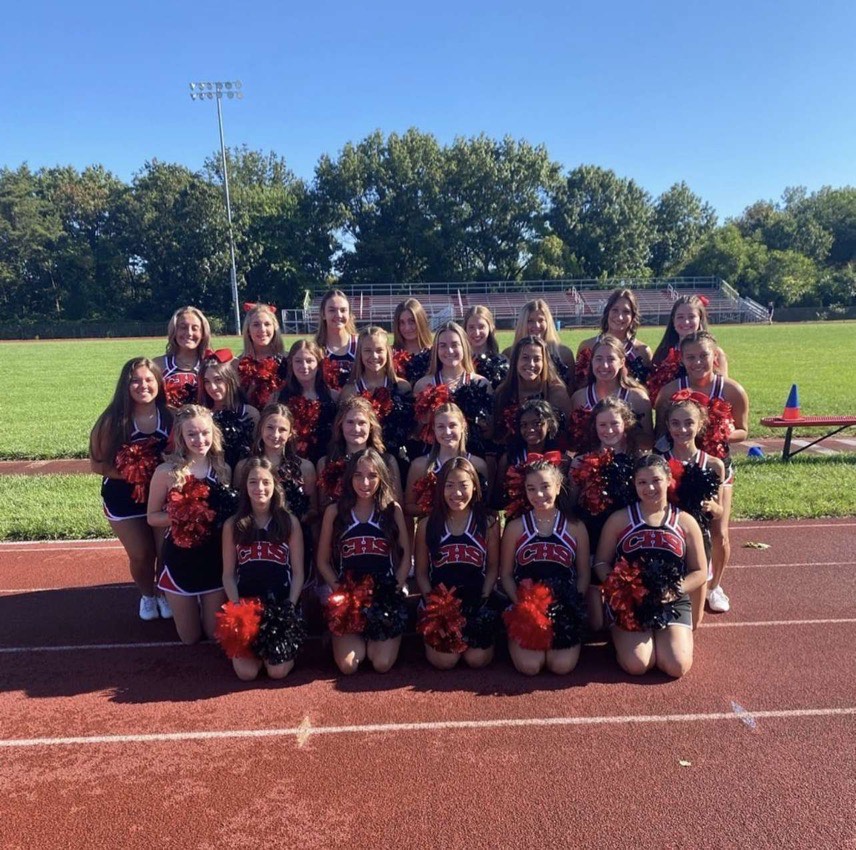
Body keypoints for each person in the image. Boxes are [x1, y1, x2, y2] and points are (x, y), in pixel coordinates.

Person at [655, 331, 748, 614]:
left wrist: (719, 434)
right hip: (678, 466)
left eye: (703, 355)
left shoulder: (731, 389)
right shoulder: (671, 390)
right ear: (681, 359)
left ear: (715, 356)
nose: (697, 362)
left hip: (715, 466)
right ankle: (681, 579)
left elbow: (744, 431)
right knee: (676, 526)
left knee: (718, 530)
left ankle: (714, 585)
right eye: (690, 357)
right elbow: (661, 431)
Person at [593, 454, 707, 678]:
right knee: (638, 664)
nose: (650, 488)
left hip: (672, 599)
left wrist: (673, 590)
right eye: (642, 482)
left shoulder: (685, 521)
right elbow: (600, 562)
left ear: (668, 480)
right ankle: (618, 635)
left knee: (676, 666)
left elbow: (700, 571)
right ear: (634, 484)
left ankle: (661, 638)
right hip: (630, 602)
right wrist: (624, 588)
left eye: (656, 480)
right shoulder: (619, 519)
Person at [90, 357, 173, 621]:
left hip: (162, 497)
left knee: (165, 552)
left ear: (159, 383)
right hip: (123, 496)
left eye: (149, 380)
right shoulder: (112, 421)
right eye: (135, 381)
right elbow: (96, 464)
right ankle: (147, 595)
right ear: (125, 386)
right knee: (142, 554)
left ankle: (163, 592)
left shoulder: (171, 415)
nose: (142, 386)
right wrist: (134, 472)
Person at [317, 449, 411, 674]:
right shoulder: (335, 511)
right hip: (350, 597)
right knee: (349, 666)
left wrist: (394, 590)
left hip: (383, 596)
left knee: (381, 663)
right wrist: (341, 592)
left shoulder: (391, 509)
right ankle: (338, 637)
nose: (365, 482)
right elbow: (322, 561)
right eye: (358, 475)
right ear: (349, 478)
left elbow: (406, 556)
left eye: (372, 476)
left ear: (381, 478)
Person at [147, 405, 232, 644]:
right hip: (180, 560)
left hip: (214, 559)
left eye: (205, 433)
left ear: (213, 433)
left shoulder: (223, 469)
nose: (199, 439)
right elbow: (152, 517)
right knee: (190, 639)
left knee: (214, 637)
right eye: (192, 434)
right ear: (181, 437)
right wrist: (184, 516)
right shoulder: (166, 472)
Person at [500, 460, 590, 675]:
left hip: (563, 609)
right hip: (525, 609)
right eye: (531, 489)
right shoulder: (515, 527)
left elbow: (584, 574)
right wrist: (521, 606)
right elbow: (505, 574)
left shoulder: (576, 527)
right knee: (530, 667)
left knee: (561, 666)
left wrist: (570, 606)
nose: (538, 495)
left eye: (545, 487)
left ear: (558, 487)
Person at [220, 457, 305, 680]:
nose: (260, 488)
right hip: (247, 607)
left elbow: (298, 573)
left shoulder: (289, 522)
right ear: (245, 487)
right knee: (246, 674)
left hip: (280, 606)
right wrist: (236, 606)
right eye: (253, 482)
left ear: (275, 486)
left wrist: (291, 606)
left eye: (266, 482)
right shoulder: (233, 525)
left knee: (277, 672)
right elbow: (228, 574)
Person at [415, 457, 500, 669]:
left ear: (475, 486)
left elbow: (492, 568)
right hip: (440, 602)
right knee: (446, 661)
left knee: (476, 660)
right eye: (449, 486)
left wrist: (483, 599)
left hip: (475, 599)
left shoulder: (488, 523)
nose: (457, 493)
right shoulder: (428, 524)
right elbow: (422, 573)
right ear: (440, 488)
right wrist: (433, 604)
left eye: (463, 485)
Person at [656, 395, 725, 627]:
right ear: (667, 425)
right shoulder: (658, 462)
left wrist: (712, 507)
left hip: (698, 542)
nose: (682, 429)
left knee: (694, 623)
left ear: (700, 425)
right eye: (675, 423)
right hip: (666, 541)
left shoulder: (714, 464)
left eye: (689, 423)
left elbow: (719, 510)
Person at [339, 326, 413, 471]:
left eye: (379, 350)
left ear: (388, 352)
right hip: (360, 463)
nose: (374, 356)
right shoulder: (350, 390)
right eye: (367, 350)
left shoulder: (403, 387)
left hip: (395, 460)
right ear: (359, 353)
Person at [413, 322, 492, 457]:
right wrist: (424, 420)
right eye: (443, 346)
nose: (449, 351)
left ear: (464, 347)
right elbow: (414, 433)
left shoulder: (481, 383)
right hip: (434, 458)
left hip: (471, 456)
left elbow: (490, 432)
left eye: (455, 345)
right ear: (436, 350)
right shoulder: (423, 385)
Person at [569, 335, 653, 452]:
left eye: (611, 359)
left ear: (622, 362)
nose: (605, 365)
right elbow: (573, 444)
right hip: (589, 465)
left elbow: (648, 443)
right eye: (599, 359)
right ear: (591, 361)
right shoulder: (579, 398)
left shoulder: (638, 397)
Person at [404, 403, 488, 519]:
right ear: (433, 428)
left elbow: (485, 506)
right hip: (433, 532)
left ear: (463, 426)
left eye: (452, 425)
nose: (447, 432)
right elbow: (408, 506)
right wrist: (436, 507)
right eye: (441, 426)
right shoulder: (420, 465)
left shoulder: (477, 465)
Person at [317, 396, 404, 509]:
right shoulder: (325, 463)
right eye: (350, 422)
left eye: (362, 423)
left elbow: (397, 505)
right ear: (340, 425)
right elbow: (322, 507)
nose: (356, 429)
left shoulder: (387, 461)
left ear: (371, 427)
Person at [492, 336, 571, 449]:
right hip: (511, 458)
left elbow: (567, 435)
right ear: (516, 361)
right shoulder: (503, 393)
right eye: (525, 358)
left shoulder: (556, 392)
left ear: (544, 362)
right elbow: (497, 436)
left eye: (537, 359)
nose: (531, 364)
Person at [648, 295, 728, 403]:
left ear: (700, 319)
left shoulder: (716, 353)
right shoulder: (663, 353)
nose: (686, 322)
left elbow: (723, 390)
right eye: (680, 317)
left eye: (691, 317)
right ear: (673, 320)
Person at [495, 399, 564, 517]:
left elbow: (565, 500)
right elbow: (497, 499)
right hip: (518, 520)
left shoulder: (561, 459)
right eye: (524, 425)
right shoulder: (509, 459)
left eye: (537, 423)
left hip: (553, 520)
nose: (530, 429)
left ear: (549, 424)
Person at [277, 338, 339, 465]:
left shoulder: (334, 396)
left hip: (326, 460)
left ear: (319, 363)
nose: (304, 366)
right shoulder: (278, 397)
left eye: (309, 361)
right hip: (293, 461)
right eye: (298, 361)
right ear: (291, 363)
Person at [575, 288, 652, 386]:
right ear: (607, 312)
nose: (620, 317)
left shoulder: (642, 351)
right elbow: (577, 385)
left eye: (626, 312)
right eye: (615, 310)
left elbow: (648, 390)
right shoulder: (587, 346)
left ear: (633, 316)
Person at [197, 350, 258, 471]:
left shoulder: (250, 413)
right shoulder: (202, 415)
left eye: (218, 380)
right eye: (207, 382)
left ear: (230, 380)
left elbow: (257, 452)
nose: (212, 387)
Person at [503, 299, 575, 389]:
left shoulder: (565, 353)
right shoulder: (509, 353)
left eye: (541, 320)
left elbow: (572, 389)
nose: (536, 325)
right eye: (530, 321)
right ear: (522, 324)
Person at [153, 307, 211, 410]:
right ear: (174, 331)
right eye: (183, 327)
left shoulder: (211, 364)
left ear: (203, 333)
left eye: (195, 328)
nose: (189, 333)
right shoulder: (158, 365)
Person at [236, 303, 286, 409]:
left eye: (267, 324)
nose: (262, 330)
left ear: (274, 328)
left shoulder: (287, 360)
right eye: (256, 325)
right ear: (248, 330)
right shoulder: (238, 363)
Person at [315, 289, 359, 390]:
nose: (338, 315)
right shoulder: (315, 349)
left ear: (349, 314)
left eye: (343, 310)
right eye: (332, 310)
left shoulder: (361, 344)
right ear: (323, 314)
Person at [464, 304, 509, 390]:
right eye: (471, 327)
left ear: (490, 328)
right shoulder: (458, 361)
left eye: (481, 327)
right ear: (465, 329)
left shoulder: (502, 362)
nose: (476, 332)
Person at [392, 297, 433, 385]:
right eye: (402, 323)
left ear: (421, 322)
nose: (407, 328)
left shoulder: (434, 354)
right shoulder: (390, 354)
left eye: (412, 321)